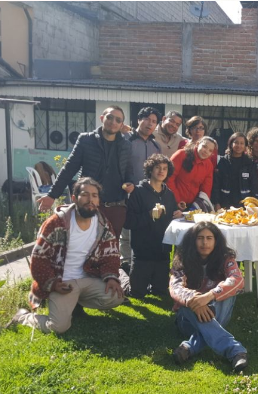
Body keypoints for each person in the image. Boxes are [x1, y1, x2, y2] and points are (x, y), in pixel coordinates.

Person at [8, 178, 125, 334]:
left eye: (94, 195)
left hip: (87, 279)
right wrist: (54, 284)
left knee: (116, 297)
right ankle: (23, 317)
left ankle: (74, 304)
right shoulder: (56, 223)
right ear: (74, 198)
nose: (90, 200)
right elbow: (38, 259)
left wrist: (111, 278)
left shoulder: (103, 225)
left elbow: (111, 254)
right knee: (58, 327)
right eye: (85, 195)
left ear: (98, 201)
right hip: (62, 283)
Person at [38, 106, 134, 237]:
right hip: (89, 205)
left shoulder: (126, 145)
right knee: (84, 243)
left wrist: (130, 183)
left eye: (118, 120)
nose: (113, 122)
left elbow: (129, 171)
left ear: (122, 124)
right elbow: (69, 168)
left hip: (115, 207)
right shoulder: (86, 140)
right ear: (102, 118)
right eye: (110, 117)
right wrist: (52, 195)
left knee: (111, 246)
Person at [169, 222, 248, 372]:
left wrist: (209, 296)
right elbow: (175, 288)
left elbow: (237, 280)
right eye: (200, 238)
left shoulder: (225, 258)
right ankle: (235, 351)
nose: (205, 242)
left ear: (216, 241)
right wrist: (195, 301)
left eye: (209, 238)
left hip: (216, 310)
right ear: (193, 240)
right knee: (187, 303)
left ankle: (189, 347)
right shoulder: (183, 259)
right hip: (188, 320)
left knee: (227, 294)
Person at [124, 154, 182, 299]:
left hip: (162, 252)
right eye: (157, 167)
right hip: (142, 252)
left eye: (165, 168)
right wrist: (149, 215)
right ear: (150, 169)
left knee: (161, 291)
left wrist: (178, 213)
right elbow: (128, 222)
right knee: (136, 293)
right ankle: (122, 274)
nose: (161, 171)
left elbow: (171, 217)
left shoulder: (169, 194)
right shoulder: (138, 192)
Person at [120, 106, 163, 271]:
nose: (150, 124)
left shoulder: (155, 145)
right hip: (127, 192)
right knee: (126, 231)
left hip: (147, 195)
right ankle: (125, 263)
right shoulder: (125, 139)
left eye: (154, 121)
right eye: (147, 119)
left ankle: (141, 263)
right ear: (139, 120)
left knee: (144, 229)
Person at [167, 137, 217, 211]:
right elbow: (169, 178)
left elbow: (206, 189)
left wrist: (199, 205)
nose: (206, 151)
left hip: (193, 206)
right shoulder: (181, 154)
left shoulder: (208, 165)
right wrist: (177, 200)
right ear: (197, 144)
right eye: (204, 147)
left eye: (210, 150)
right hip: (172, 201)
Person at [214, 132, 258, 210]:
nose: (239, 145)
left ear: (245, 146)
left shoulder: (249, 163)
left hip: (244, 204)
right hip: (225, 203)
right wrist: (216, 202)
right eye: (236, 142)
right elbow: (216, 183)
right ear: (231, 144)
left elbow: (255, 184)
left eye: (242, 143)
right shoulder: (223, 161)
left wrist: (255, 203)